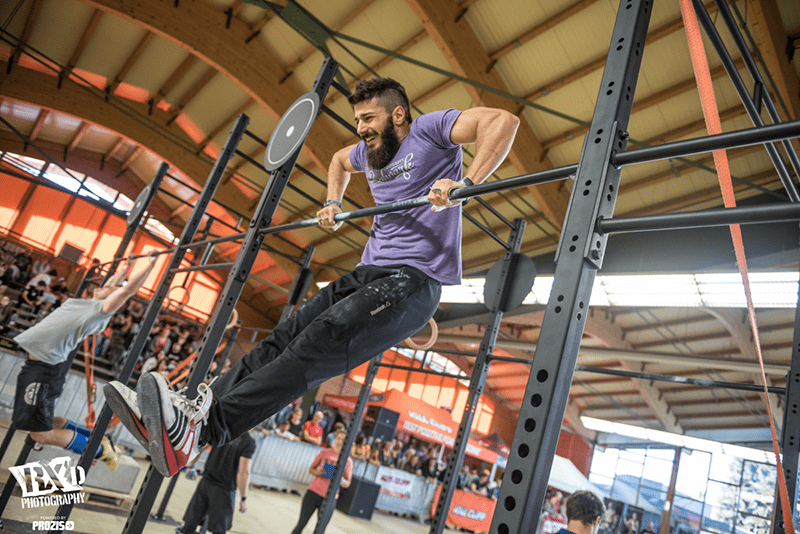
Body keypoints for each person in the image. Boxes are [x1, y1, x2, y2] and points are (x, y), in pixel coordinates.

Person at [105, 76, 520, 478]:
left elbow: (503, 121)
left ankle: (204, 433)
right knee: (281, 338)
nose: (361, 129)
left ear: (397, 116)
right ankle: (193, 417)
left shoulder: (428, 130)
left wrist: (466, 183)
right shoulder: (366, 153)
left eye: (369, 119)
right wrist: (332, 200)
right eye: (357, 120)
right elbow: (339, 160)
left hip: (414, 279)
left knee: (320, 337)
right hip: (368, 271)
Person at [12, 254, 157, 469]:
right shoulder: (89, 303)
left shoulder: (99, 312)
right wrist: (126, 268)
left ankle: (98, 450)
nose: (104, 286)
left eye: (109, 289)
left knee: (41, 435)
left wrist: (151, 265)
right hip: (38, 367)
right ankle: (94, 438)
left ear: (111, 298)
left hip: (43, 370)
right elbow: (113, 284)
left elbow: (126, 291)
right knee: (45, 422)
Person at [176, 431, 255, 534]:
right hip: (224, 490)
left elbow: (200, 447)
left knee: (190, 524)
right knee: (218, 530)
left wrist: (192, 466)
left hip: (205, 484)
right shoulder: (248, 442)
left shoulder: (224, 432)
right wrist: (243, 498)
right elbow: (244, 472)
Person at [290, 429, 353, 534]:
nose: (339, 441)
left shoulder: (348, 461)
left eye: (343, 439)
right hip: (313, 493)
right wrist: (319, 472)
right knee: (301, 524)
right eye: (338, 438)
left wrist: (339, 479)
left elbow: (347, 483)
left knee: (319, 530)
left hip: (329, 498)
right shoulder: (325, 452)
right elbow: (311, 469)